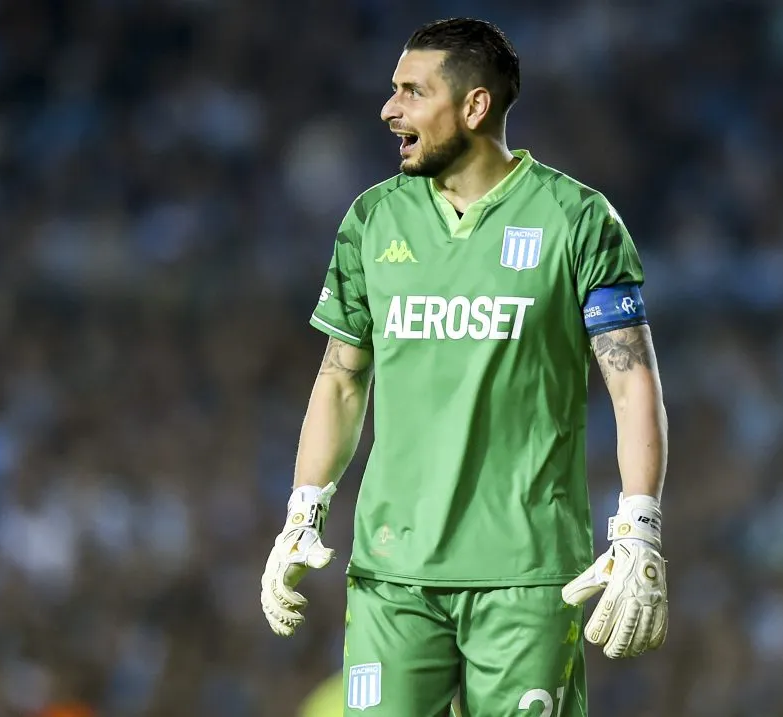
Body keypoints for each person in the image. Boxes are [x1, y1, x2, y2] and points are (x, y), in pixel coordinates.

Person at [261, 17, 669, 717]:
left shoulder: (576, 220)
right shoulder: (373, 221)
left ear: (474, 106)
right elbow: (340, 376)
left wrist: (639, 523)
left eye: (412, 92)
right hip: (393, 577)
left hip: (528, 577)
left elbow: (631, 382)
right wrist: (303, 508)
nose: (390, 110)